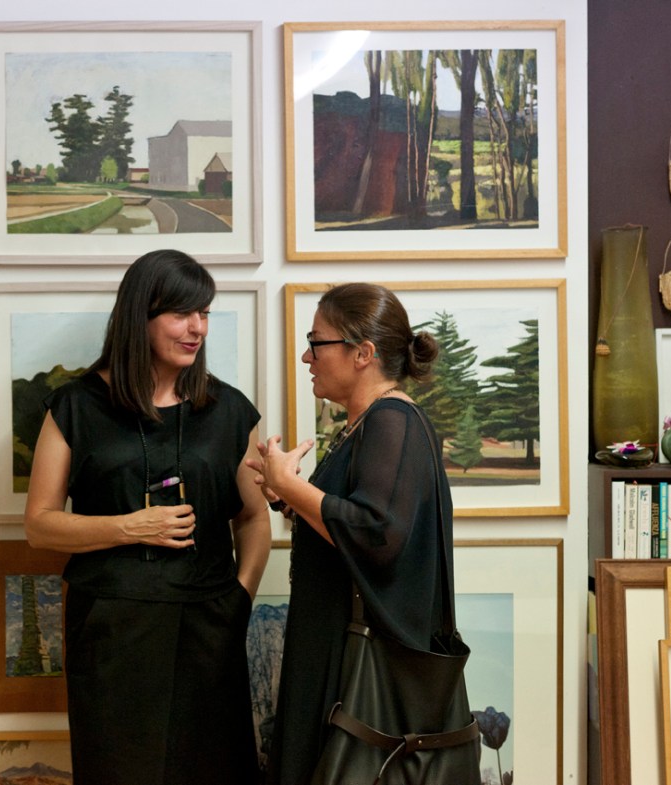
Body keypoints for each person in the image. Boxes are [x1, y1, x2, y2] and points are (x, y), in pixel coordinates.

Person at [24, 249, 271, 785]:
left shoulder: (230, 410)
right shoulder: (75, 406)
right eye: (182, 313)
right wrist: (127, 527)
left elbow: (253, 519)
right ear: (140, 315)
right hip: (111, 630)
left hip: (210, 627)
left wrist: (241, 597)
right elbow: (39, 524)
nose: (197, 328)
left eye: (204, 313)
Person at [248, 282, 468, 784]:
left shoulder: (393, 420)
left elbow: (377, 534)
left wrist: (292, 486)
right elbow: (352, 524)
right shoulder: (369, 423)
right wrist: (287, 497)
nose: (307, 356)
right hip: (333, 651)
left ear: (363, 353)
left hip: (352, 665)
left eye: (316, 342)